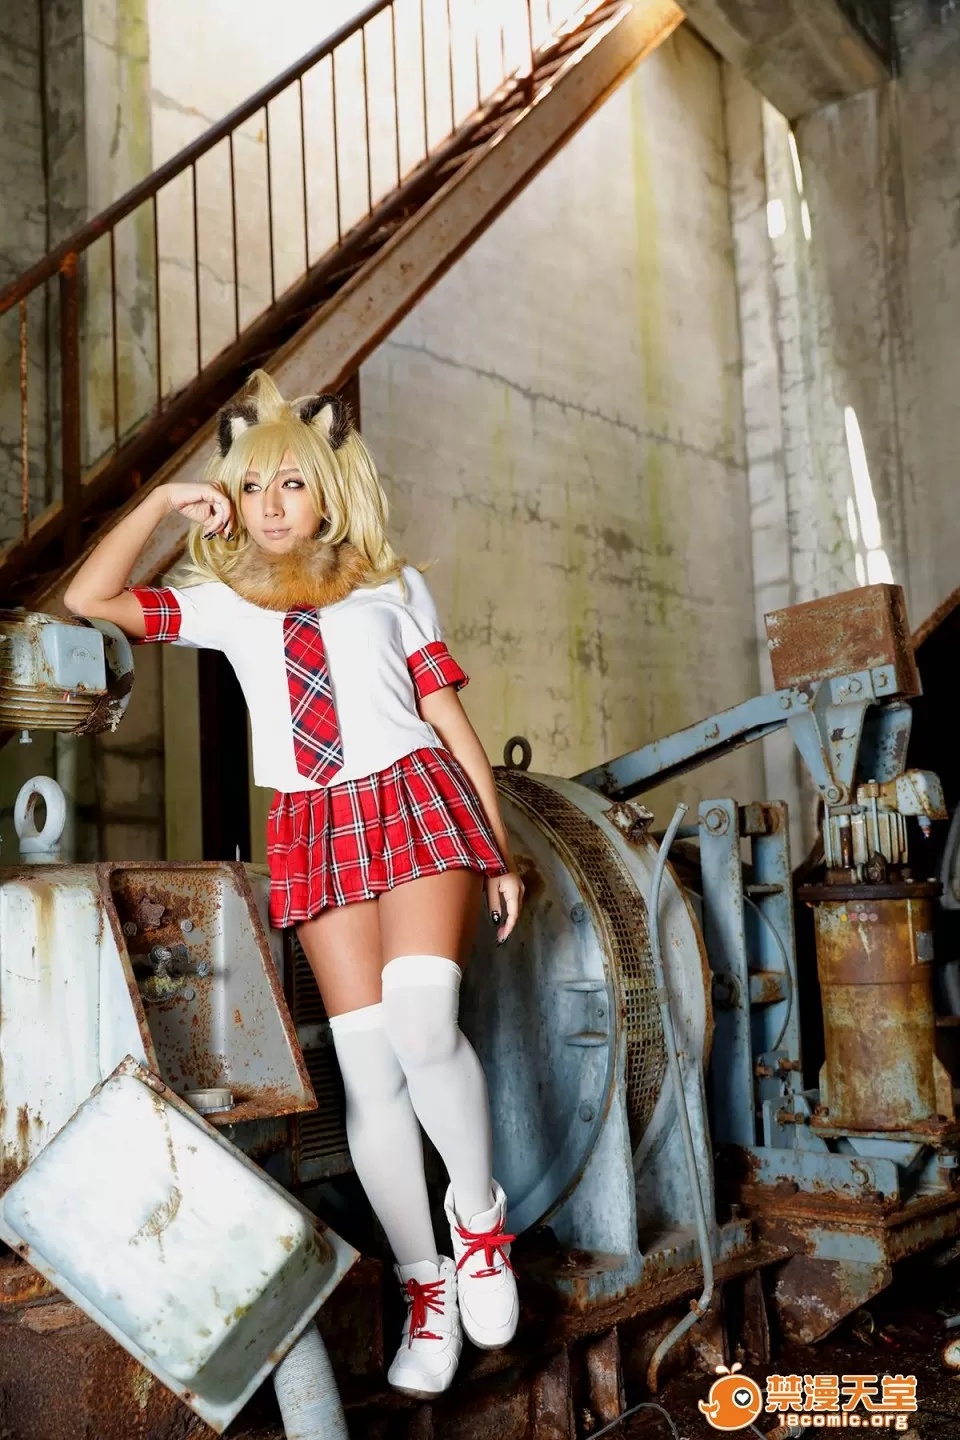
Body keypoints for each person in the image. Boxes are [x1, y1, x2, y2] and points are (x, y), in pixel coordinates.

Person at [64, 369, 525, 1398]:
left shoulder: (395, 588)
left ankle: (478, 1223)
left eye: (292, 484)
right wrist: (161, 502)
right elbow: (88, 600)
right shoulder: (223, 603)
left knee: (423, 1026)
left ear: (328, 490)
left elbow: (449, 722)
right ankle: (426, 1283)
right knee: (367, 1070)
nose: (271, 505)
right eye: (252, 486)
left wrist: (495, 848)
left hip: (415, 800)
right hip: (313, 822)